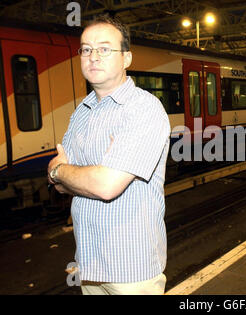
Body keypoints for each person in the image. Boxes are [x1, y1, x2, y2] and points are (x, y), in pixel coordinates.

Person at [47, 15, 171, 295]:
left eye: (104, 49)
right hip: (89, 264)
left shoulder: (143, 109)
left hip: (131, 269)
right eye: (86, 49)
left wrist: (60, 171)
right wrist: (72, 176)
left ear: (126, 58)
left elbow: (105, 186)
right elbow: (60, 186)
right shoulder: (81, 112)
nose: (93, 56)